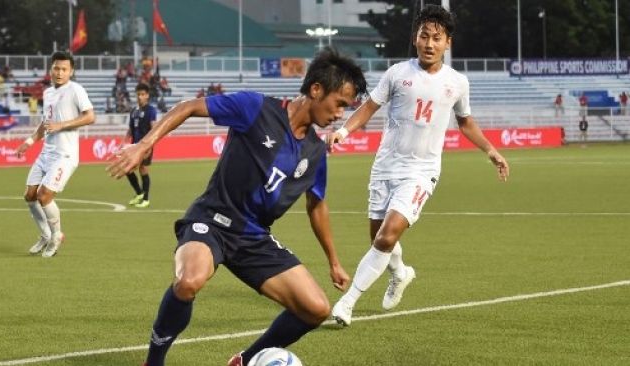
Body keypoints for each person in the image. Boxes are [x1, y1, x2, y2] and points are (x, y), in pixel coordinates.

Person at [106, 49, 366, 366]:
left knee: (316, 308)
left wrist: (334, 261)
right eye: (339, 103)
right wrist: (143, 145)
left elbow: (317, 206)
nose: (341, 114)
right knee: (189, 280)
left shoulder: (315, 151)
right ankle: (154, 362)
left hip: (254, 237)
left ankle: (246, 360)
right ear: (316, 90)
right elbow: (189, 107)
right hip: (212, 221)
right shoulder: (255, 108)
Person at [326, 5, 510, 326]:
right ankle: (400, 272)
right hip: (385, 168)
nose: (429, 43)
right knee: (380, 240)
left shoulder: (457, 82)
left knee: (386, 237)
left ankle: (347, 302)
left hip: (421, 173)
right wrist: (342, 131)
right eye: (424, 36)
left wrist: (491, 151)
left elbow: (465, 123)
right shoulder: (398, 74)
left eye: (436, 38)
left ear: (447, 43)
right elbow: (368, 108)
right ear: (415, 38)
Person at [14, 51, 95, 257]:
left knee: (44, 195)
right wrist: (29, 141)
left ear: (71, 71)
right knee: (29, 195)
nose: (59, 73)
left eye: (64, 69)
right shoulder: (48, 92)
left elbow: (90, 116)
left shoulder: (75, 90)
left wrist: (62, 125)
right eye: (56, 68)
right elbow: (45, 122)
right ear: (51, 69)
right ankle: (45, 235)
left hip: (65, 155)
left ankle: (57, 235)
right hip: (46, 153)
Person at [125, 83, 157, 208]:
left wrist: (149, 145)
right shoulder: (134, 111)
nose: (140, 97)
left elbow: (154, 128)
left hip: (145, 145)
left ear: (147, 96)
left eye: (142, 94)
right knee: (128, 169)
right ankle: (139, 193)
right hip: (135, 145)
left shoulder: (151, 110)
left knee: (143, 169)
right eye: (138, 94)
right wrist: (124, 141)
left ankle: (146, 199)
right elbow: (130, 129)